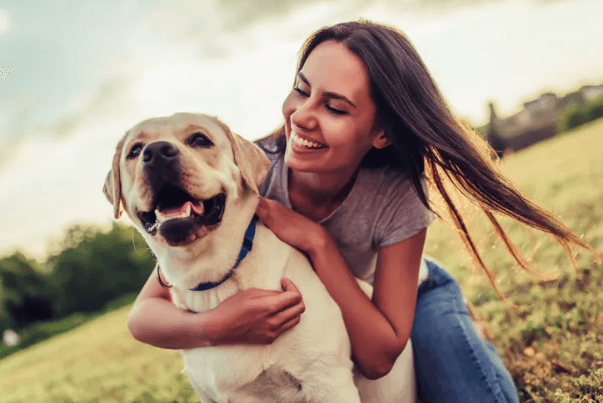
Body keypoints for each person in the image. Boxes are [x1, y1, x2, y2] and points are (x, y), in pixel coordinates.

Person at [127, 20, 589, 402]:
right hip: (330, 321)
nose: (302, 116)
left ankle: (466, 333)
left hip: (408, 300)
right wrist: (215, 325)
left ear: (381, 133)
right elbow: (146, 311)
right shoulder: (246, 175)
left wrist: (317, 241)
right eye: (301, 90)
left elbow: (377, 356)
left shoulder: (397, 194)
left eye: (335, 107)